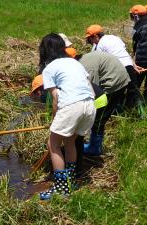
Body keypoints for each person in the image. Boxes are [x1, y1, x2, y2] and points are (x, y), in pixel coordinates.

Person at [38, 33, 96, 200]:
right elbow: (89, 87)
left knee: (53, 144)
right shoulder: (74, 62)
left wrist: (56, 118)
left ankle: (61, 189)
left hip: (72, 105)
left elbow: (56, 98)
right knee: (70, 141)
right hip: (90, 105)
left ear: (45, 50)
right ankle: (71, 182)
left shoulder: (49, 68)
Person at [30, 74, 107, 176]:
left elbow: (63, 107)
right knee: (74, 138)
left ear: (43, 87)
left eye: (37, 91)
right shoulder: (61, 83)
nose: (38, 94)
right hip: (97, 99)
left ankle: (75, 172)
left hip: (93, 102)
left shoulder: (57, 89)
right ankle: (74, 170)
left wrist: (57, 124)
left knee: (75, 140)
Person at [79, 51, 130, 155]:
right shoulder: (85, 58)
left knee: (99, 118)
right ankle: (94, 143)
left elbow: (93, 91)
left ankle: (94, 148)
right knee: (103, 112)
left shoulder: (85, 67)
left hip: (113, 83)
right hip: (121, 78)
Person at [85, 24, 144, 113]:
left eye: (90, 39)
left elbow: (102, 63)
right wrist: (133, 66)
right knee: (134, 90)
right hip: (128, 66)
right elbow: (124, 52)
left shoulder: (100, 45)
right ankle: (141, 112)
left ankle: (119, 111)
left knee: (116, 93)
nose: (91, 42)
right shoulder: (114, 38)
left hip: (117, 70)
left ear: (95, 36)